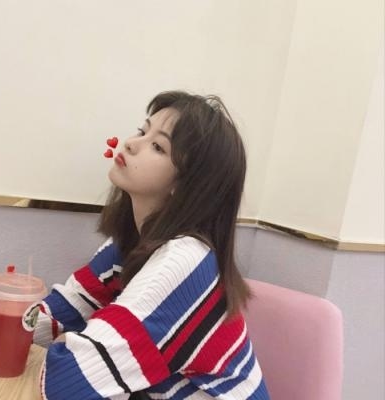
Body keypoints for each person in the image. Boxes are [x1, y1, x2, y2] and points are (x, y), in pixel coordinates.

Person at [32, 91, 270, 399]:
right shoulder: (128, 245)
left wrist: (74, 341)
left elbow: (65, 383)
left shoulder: (185, 262)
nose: (132, 143)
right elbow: (57, 315)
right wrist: (1, 323)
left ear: (185, 185)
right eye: (142, 131)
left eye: (158, 146)